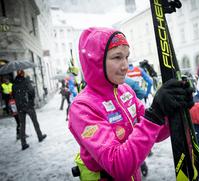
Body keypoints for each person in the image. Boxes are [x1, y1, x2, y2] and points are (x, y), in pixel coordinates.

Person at [68, 27, 192, 180]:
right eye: (117, 57)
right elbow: (118, 166)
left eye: (127, 57)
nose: (125, 65)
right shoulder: (83, 107)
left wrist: (172, 111)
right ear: (96, 62)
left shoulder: (125, 91)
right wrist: (156, 112)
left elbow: (155, 133)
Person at [12, 70, 47, 150]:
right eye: (23, 72)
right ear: (22, 74)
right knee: (35, 121)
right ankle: (40, 136)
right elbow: (31, 91)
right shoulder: (26, 81)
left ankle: (23, 144)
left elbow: (13, 95)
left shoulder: (14, 84)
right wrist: (31, 101)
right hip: (28, 105)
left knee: (22, 125)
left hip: (20, 107)